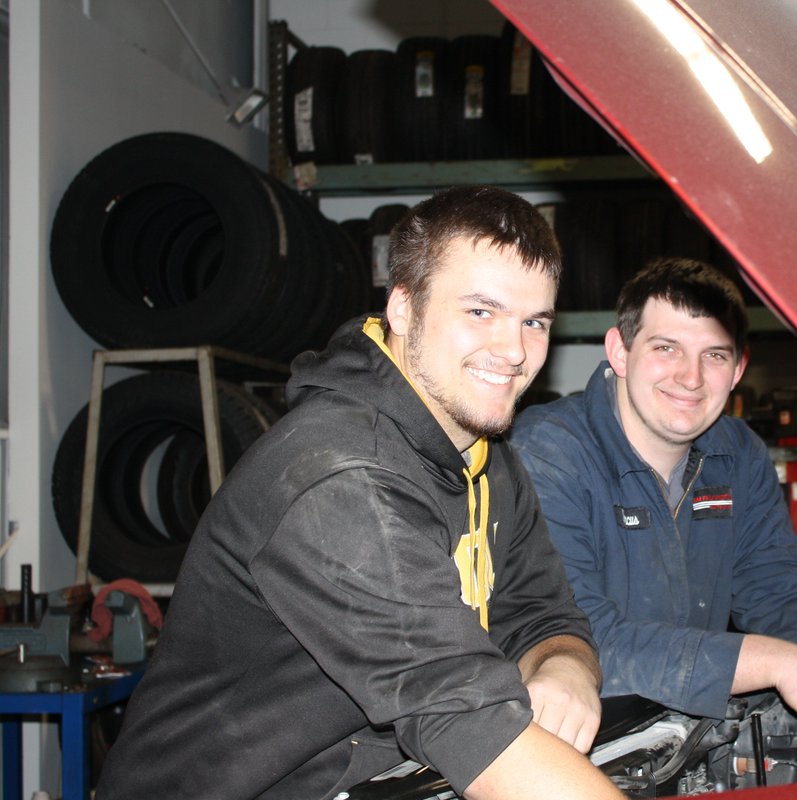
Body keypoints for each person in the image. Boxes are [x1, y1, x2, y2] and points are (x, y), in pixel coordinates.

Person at [97, 186, 624, 800]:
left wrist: (565, 668)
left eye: (534, 321)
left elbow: (540, 612)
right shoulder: (339, 479)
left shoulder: (486, 453)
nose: (514, 351)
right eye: (481, 311)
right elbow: (463, 718)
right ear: (403, 307)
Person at [510, 257, 797, 755]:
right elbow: (577, 638)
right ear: (619, 352)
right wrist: (778, 663)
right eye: (666, 348)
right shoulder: (548, 452)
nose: (691, 378)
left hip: (680, 737)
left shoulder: (737, 452)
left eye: (715, 356)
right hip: (562, 744)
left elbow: (781, 583)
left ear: (739, 370)